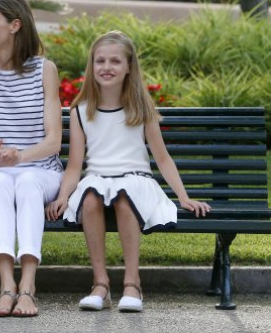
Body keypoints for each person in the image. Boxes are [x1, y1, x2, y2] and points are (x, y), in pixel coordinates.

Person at [46, 30, 211, 312]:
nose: (106, 67)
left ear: (129, 68)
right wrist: (63, 195)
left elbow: (163, 158)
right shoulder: (81, 111)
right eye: (100, 61)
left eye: (115, 61)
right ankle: (100, 284)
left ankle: (132, 283)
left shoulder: (141, 108)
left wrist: (183, 198)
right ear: (92, 66)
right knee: (90, 197)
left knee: (124, 198)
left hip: (136, 181)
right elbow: (75, 165)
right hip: (97, 180)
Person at [0, 0, 64, 317]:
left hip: (40, 169)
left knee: (28, 181)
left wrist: (19, 156)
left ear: (15, 25)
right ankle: (7, 287)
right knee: (2, 183)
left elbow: (53, 142)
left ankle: (28, 287)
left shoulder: (45, 70)